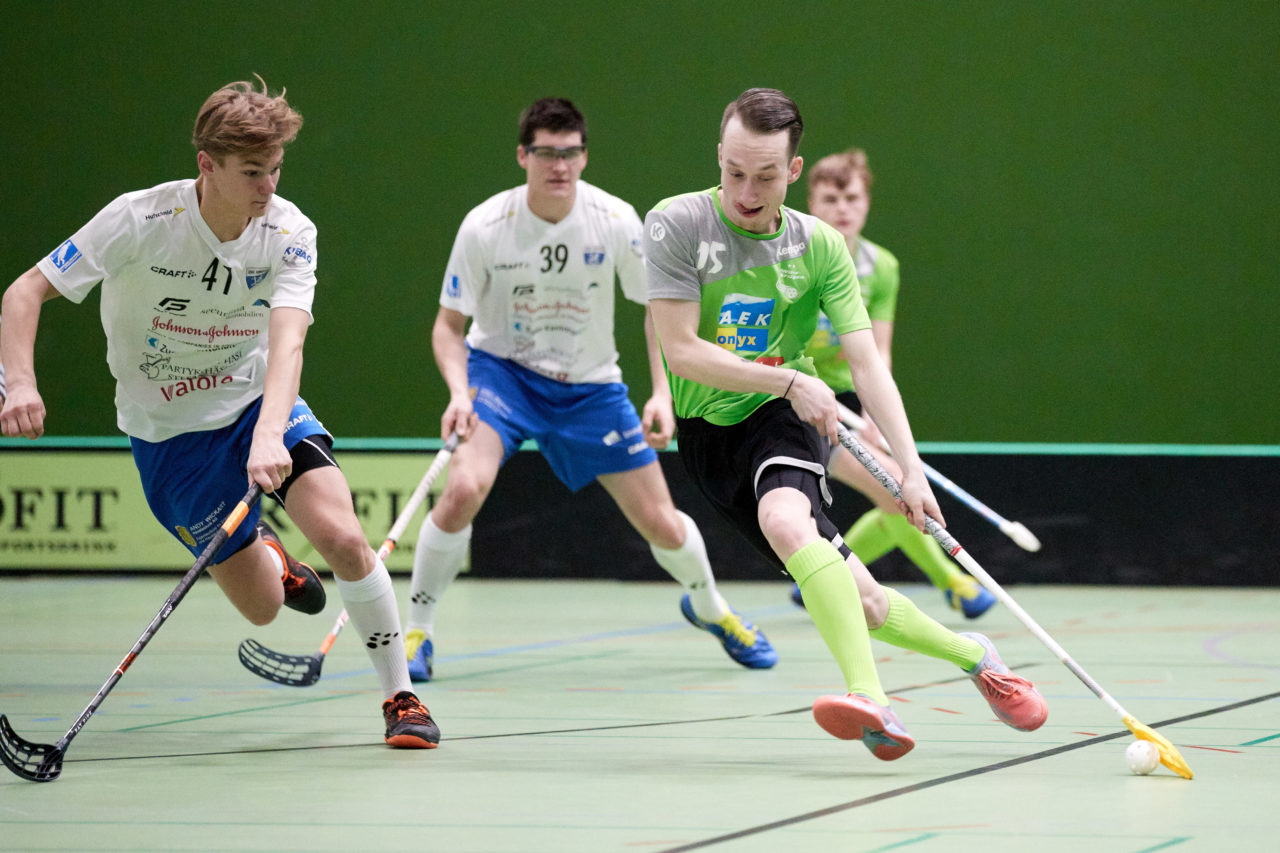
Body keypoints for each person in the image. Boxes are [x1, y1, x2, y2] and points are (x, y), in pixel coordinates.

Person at [0, 77, 439, 750]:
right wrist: (19, 384)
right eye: (252, 172)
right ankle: (274, 558)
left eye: (276, 169)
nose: (268, 186)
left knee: (344, 537)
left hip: (257, 402)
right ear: (207, 165)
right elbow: (24, 292)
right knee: (263, 607)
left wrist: (269, 431)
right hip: (169, 437)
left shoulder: (289, 231)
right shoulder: (139, 221)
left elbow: (288, 344)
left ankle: (400, 697)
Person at [644, 87, 1046, 761]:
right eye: (734, 172)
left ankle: (871, 698)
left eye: (765, 176)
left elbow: (867, 365)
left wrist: (910, 471)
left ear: (793, 170)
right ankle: (977, 656)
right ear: (718, 156)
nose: (746, 192)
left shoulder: (821, 247)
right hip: (709, 434)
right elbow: (681, 350)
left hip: (782, 417)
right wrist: (790, 379)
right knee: (865, 603)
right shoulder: (676, 224)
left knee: (785, 520)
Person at [403, 97, 776, 682]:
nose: (560, 165)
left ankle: (712, 609)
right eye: (546, 153)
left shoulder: (616, 220)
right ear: (523, 156)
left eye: (571, 153)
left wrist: (662, 392)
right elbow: (448, 328)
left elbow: (660, 311)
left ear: (584, 156)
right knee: (464, 488)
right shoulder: (485, 227)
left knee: (661, 521)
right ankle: (417, 631)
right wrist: (457, 391)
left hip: (590, 389)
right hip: (503, 376)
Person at [790, 149, 996, 618]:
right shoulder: (793, 256)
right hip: (799, 396)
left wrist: (873, 415)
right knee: (893, 491)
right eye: (830, 199)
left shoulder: (881, 266)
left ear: (866, 202)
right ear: (811, 203)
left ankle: (824, 578)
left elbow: (877, 351)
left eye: (852, 198)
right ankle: (952, 582)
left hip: (848, 397)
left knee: (896, 491)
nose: (843, 208)